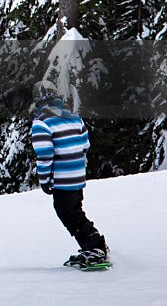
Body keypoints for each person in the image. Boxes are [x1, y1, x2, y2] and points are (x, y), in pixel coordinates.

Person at [30, 80, 109, 268]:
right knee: (75, 211)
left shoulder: (41, 122)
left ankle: (94, 247)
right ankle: (95, 243)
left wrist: (44, 180)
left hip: (62, 178)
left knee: (67, 213)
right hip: (77, 175)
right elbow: (85, 146)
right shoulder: (73, 117)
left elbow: (45, 155)